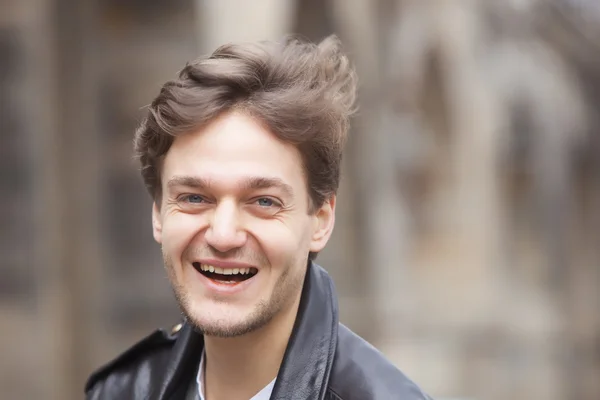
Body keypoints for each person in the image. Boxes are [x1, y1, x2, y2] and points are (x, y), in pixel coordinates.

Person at [85, 35, 432, 400]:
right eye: (194, 198)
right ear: (158, 213)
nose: (223, 234)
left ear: (321, 221)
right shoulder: (122, 391)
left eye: (263, 202)